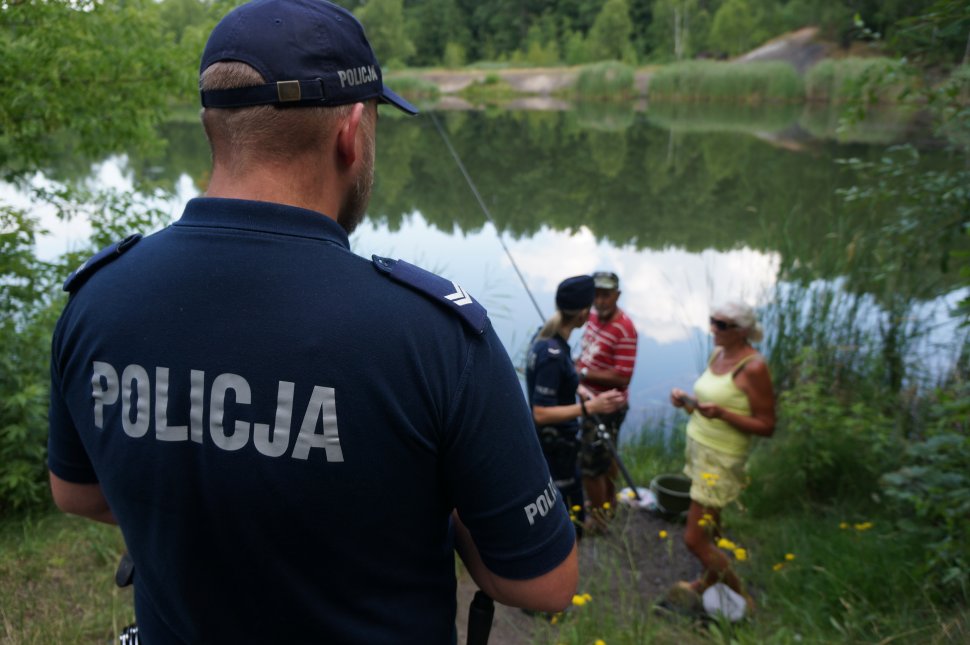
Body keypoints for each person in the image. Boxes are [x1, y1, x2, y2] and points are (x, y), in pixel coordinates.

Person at [46, 1, 577, 641]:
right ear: (351, 132)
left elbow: (75, 492)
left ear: (213, 127)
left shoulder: (97, 299)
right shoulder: (434, 336)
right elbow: (543, 583)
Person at [669, 301, 776, 611]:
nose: (713, 328)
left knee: (694, 539)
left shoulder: (753, 367)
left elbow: (767, 425)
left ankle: (741, 598)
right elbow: (709, 402)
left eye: (722, 325)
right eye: (712, 321)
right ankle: (707, 581)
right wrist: (686, 402)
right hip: (700, 448)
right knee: (709, 526)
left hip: (721, 458)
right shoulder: (718, 354)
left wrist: (722, 414)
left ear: (742, 331)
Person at [526, 275, 625, 536]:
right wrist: (592, 408)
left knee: (568, 499)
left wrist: (576, 388)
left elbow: (556, 382)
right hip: (556, 446)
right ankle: (568, 552)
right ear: (583, 314)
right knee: (569, 514)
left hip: (560, 446)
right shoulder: (553, 354)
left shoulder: (543, 337)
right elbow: (541, 413)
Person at [575, 271, 638, 522]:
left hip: (607, 407)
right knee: (606, 456)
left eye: (606, 295)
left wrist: (583, 371)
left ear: (617, 295)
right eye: (596, 295)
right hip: (590, 400)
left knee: (590, 466)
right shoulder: (592, 317)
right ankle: (609, 504)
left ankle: (599, 521)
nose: (600, 300)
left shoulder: (624, 328)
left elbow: (623, 377)